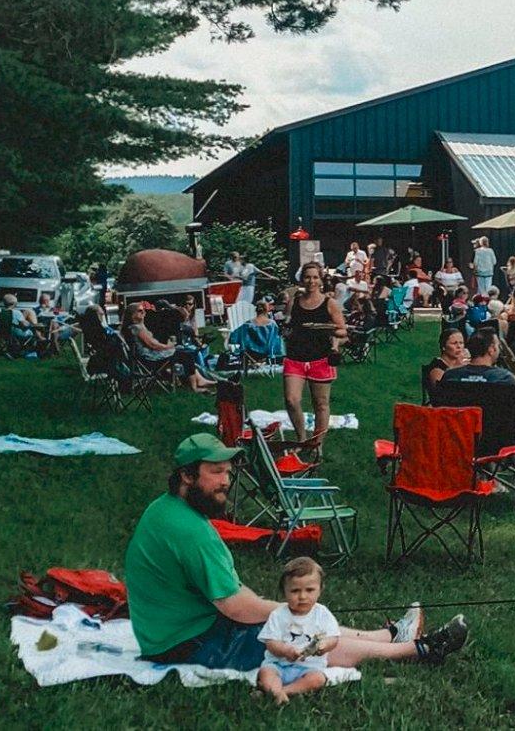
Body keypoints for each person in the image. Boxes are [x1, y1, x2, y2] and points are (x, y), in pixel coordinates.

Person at [129, 433, 465, 674]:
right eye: (216, 472)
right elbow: (236, 607)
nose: (226, 481)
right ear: (187, 475)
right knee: (297, 635)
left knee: (298, 619)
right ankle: (419, 650)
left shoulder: (167, 509)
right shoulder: (190, 531)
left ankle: (389, 635)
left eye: (228, 472)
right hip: (187, 642)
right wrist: (289, 611)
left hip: (182, 628)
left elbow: (231, 598)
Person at [256, 557, 339, 705]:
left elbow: (334, 638)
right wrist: (285, 650)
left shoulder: (323, 614)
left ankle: (284, 692)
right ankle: (275, 690)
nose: (302, 596)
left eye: (310, 590)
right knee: (265, 673)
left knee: (318, 679)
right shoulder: (278, 614)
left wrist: (324, 645)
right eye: (295, 591)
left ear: (320, 589)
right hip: (279, 665)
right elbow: (270, 642)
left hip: (308, 668)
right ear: (284, 592)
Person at [282, 262, 345, 450]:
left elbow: (342, 330)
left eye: (315, 277)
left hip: (321, 358)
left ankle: (317, 444)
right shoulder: (294, 301)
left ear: (321, 279)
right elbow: (286, 325)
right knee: (292, 400)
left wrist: (329, 331)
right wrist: (285, 330)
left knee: (321, 404)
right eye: (308, 277)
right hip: (295, 357)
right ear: (302, 279)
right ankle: (301, 439)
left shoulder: (329, 303)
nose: (311, 281)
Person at [441, 331, 515, 420]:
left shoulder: (450, 376)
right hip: (495, 434)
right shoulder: (504, 378)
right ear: (491, 349)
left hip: (460, 433)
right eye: (498, 346)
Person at [127, 301, 218, 391]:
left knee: (184, 354)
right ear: (132, 314)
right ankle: (195, 386)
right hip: (150, 358)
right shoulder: (137, 328)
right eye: (140, 311)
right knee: (186, 356)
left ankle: (200, 380)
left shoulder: (135, 327)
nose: (144, 312)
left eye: (143, 310)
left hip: (148, 357)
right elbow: (152, 344)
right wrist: (168, 346)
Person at [227, 300, 285, 370]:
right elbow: (276, 341)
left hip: (249, 353)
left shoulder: (247, 324)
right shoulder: (272, 325)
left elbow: (233, 338)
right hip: (266, 352)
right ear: (267, 310)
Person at [423, 329, 469, 400]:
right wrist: (456, 368)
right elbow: (441, 391)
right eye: (454, 343)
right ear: (443, 346)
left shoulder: (464, 363)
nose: (459, 346)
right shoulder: (436, 367)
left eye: (461, 343)